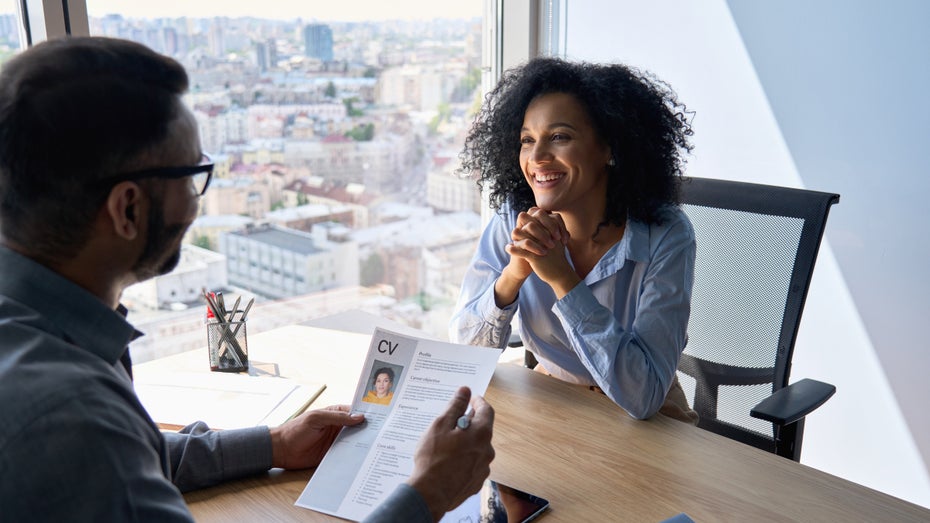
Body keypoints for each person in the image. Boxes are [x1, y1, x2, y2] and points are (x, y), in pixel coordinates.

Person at [0, 36, 494, 522]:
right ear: (128, 208)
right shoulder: (66, 416)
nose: (198, 204)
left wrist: (273, 443)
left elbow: (125, 461)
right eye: (193, 177)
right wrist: (428, 494)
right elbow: (97, 452)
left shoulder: (36, 337)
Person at [450, 57, 698, 423]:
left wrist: (562, 279)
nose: (536, 157)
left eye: (560, 137)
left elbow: (643, 394)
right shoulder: (513, 217)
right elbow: (464, 351)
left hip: (649, 418)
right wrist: (513, 275)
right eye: (527, 140)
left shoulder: (665, 234)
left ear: (610, 147)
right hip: (552, 399)